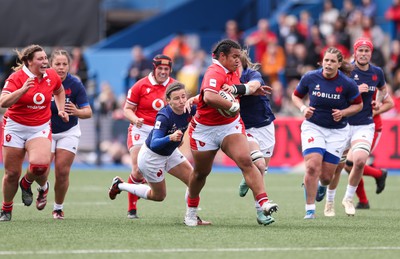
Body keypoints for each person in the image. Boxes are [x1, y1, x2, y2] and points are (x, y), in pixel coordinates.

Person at [184, 39, 278, 227]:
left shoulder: (235, 71)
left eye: (239, 56)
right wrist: (232, 105)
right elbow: (210, 96)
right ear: (222, 56)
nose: (238, 60)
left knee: (246, 161)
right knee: (201, 173)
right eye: (234, 56)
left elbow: (227, 90)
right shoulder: (214, 71)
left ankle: (263, 202)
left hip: (230, 125)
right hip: (205, 130)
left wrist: (249, 92)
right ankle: (191, 212)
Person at [109, 82, 210, 225]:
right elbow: (155, 142)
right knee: (159, 196)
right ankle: (119, 185)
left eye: (183, 96)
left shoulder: (189, 108)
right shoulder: (164, 116)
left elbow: (207, 102)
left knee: (194, 181)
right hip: (151, 157)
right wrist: (170, 137)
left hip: (170, 153)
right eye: (176, 98)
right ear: (168, 101)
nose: (181, 101)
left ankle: (191, 217)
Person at [291, 47, 363, 219]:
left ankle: (322, 186)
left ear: (339, 64)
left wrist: (344, 113)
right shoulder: (310, 77)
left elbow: (358, 105)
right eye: (326, 60)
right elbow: (296, 96)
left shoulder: (347, 84)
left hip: (337, 132)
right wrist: (303, 108)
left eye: (332, 61)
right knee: (312, 166)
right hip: (313, 127)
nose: (328, 64)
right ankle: (310, 210)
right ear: (322, 61)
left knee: (326, 177)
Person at [323, 38, 391, 217]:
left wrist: (379, 101)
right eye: (360, 50)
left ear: (371, 53)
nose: (363, 53)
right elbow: (334, 94)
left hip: (365, 124)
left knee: (359, 161)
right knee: (337, 167)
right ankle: (329, 202)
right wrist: (354, 91)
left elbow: (384, 91)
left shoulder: (377, 72)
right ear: (355, 53)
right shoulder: (346, 71)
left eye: (366, 50)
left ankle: (349, 198)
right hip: (344, 125)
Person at [0, 44, 69, 221]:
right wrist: (22, 90)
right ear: (29, 62)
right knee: (11, 173)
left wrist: (61, 109)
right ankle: (6, 209)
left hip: (39, 127)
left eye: (46, 58)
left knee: (40, 166)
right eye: (40, 59)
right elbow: (3, 102)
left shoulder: (51, 75)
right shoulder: (16, 77)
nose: (45, 61)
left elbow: (59, 91)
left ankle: (30, 184)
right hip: (15, 127)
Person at [123, 54, 176, 219]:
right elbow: (127, 109)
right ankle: (132, 209)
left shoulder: (174, 87)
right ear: (154, 69)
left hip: (163, 132)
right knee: (138, 170)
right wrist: (135, 119)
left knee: (189, 173)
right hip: (141, 130)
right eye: (160, 68)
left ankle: (192, 211)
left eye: (166, 69)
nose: (163, 72)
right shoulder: (140, 85)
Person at [230, 49, 277, 225]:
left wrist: (239, 90)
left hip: (265, 126)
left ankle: (247, 178)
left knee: (260, 172)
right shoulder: (227, 78)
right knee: (260, 164)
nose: (235, 69)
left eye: (237, 65)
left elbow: (254, 86)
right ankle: (261, 212)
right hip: (244, 127)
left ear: (243, 64)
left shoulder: (253, 74)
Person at [48, 49, 93, 219]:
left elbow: (88, 112)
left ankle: (58, 208)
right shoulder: (43, 82)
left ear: (69, 65)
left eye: (64, 64)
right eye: (57, 64)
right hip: (45, 130)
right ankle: (42, 188)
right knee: (41, 169)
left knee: (62, 171)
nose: (61, 67)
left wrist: (76, 111)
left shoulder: (75, 84)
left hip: (69, 131)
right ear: (50, 65)